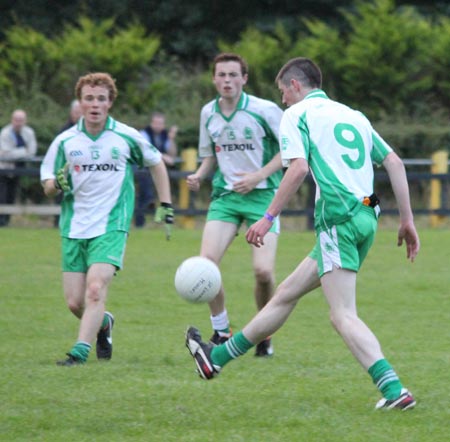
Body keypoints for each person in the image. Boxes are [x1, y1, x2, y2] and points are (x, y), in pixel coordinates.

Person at [185, 57, 420, 411]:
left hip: (338, 219)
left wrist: (267, 218)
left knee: (342, 314)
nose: (282, 101)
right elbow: (395, 162)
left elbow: (297, 168)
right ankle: (215, 358)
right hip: (367, 215)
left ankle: (394, 390)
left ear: (295, 86)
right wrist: (407, 220)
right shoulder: (354, 115)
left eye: (283, 92)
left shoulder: (298, 115)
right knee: (284, 295)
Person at [40, 72, 174, 366]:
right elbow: (47, 183)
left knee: (95, 289)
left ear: (110, 102)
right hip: (74, 227)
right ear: (80, 102)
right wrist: (56, 184)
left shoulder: (126, 136)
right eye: (89, 98)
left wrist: (165, 203)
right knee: (75, 302)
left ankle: (79, 352)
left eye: (101, 99)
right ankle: (103, 323)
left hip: (112, 225)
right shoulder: (65, 141)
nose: (95, 104)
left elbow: (157, 163)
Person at [186, 52, 284, 357]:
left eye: (233, 75)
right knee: (207, 266)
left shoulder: (264, 110)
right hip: (226, 198)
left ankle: (263, 332)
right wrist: (200, 175)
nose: (227, 81)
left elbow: (289, 154)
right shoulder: (208, 113)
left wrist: (257, 176)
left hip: (263, 196)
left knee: (263, 273)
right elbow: (210, 155)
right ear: (214, 79)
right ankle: (221, 329)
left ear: (244, 78)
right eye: (221, 75)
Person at [134, 112, 178, 227]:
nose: (158, 126)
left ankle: (146, 214)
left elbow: (172, 154)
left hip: (154, 170)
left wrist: (171, 139)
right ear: (151, 123)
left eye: (161, 123)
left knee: (145, 195)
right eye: (156, 123)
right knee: (144, 193)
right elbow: (147, 150)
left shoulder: (165, 135)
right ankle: (148, 207)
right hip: (140, 167)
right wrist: (163, 156)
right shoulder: (143, 134)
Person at [0, 109, 38, 226]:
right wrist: (23, 151)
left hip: (18, 170)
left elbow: (32, 151)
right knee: (2, 196)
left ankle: (7, 221)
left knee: (12, 196)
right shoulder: (5, 133)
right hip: (4, 170)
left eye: (21, 120)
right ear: (12, 120)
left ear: (25, 121)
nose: (18, 123)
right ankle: (1, 221)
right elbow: (6, 154)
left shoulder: (29, 133)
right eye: (16, 120)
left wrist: (15, 153)